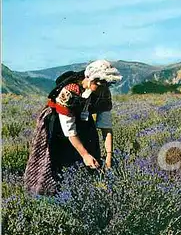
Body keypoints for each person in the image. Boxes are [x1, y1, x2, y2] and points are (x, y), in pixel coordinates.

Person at [24, 60, 122, 195]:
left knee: (92, 153)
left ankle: (85, 192)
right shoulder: (69, 91)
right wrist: (85, 155)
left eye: (107, 85)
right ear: (90, 79)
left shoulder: (103, 93)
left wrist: (109, 156)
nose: (103, 89)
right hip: (57, 122)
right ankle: (50, 196)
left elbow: (106, 127)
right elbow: (69, 131)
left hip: (83, 119)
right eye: (100, 85)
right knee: (55, 159)